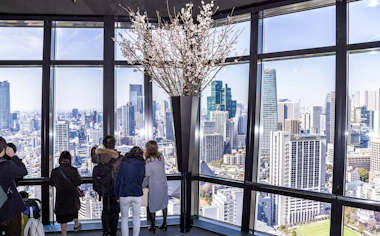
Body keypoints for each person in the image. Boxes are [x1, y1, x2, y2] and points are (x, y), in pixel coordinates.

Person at [91, 135, 122, 236]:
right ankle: (113, 231)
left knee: (105, 209)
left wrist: (94, 149)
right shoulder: (118, 157)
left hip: (103, 187)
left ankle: (105, 231)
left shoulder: (99, 156)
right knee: (115, 210)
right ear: (114, 144)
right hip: (114, 187)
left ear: (104, 144)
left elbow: (93, 158)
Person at [114, 147, 146, 236]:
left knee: (124, 218)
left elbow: (117, 180)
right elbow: (142, 178)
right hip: (137, 193)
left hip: (124, 193)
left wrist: (116, 194)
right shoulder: (142, 164)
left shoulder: (124, 163)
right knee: (136, 218)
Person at [0, 136, 28, 236]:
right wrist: (13, 156)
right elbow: (23, 171)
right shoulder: (7, 165)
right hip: (10, 210)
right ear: (3, 150)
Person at [50, 151, 82, 236]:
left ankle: (64, 234)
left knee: (62, 218)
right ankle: (76, 225)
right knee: (74, 211)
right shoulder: (73, 170)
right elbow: (78, 182)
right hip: (72, 197)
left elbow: (51, 183)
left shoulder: (55, 171)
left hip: (60, 197)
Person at [143, 140, 169, 232]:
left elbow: (147, 173)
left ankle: (153, 225)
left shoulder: (149, 161)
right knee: (164, 203)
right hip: (163, 184)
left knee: (152, 206)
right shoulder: (161, 157)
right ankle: (165, 223)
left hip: (154, 186)